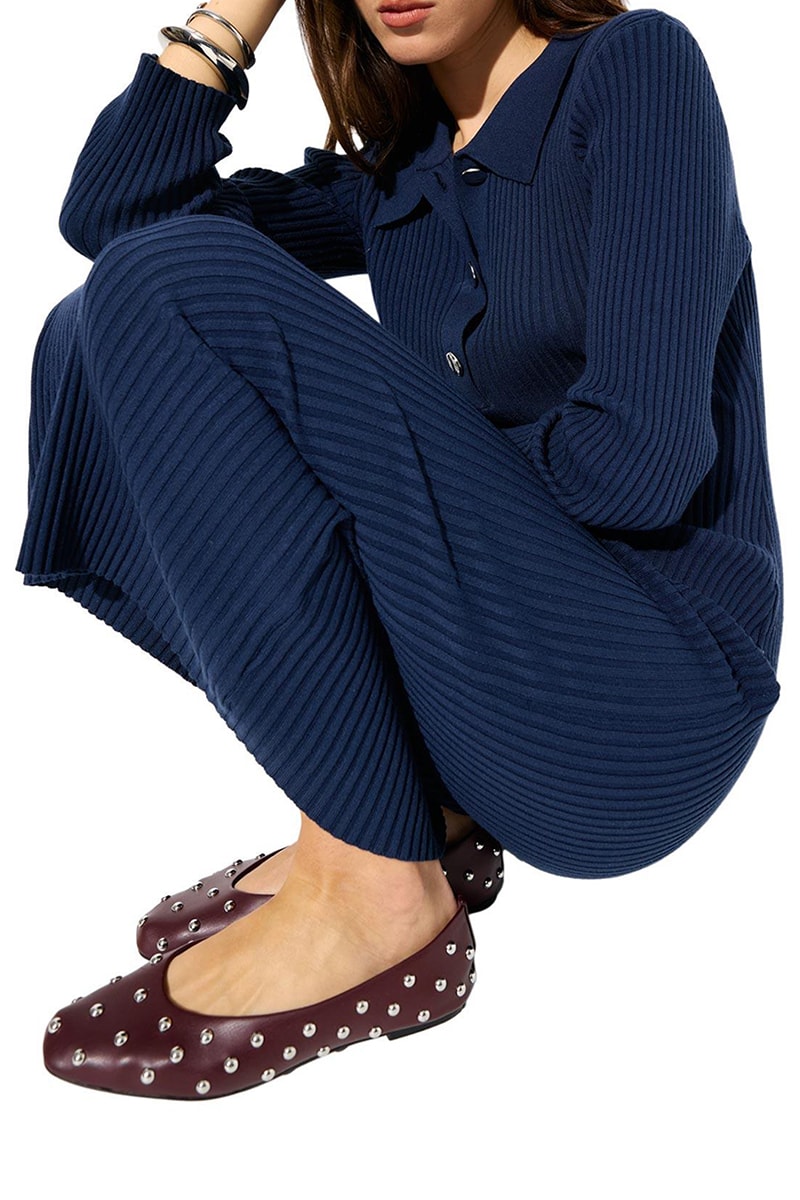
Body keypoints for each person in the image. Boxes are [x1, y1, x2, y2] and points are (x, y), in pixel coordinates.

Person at [20, 0, 782, 1100]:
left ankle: (370, 888)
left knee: (175, 285)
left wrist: (376, 465)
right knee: (89, 332)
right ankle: (401, 812)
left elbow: (639, 467)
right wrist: (235, 16)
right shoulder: (400, 166)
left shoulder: (633, 71)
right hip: (487, 708)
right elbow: (116, 215)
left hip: (642, 704)